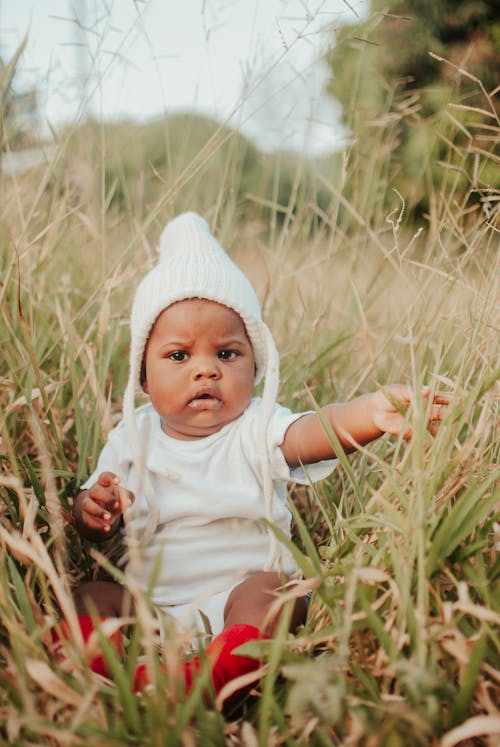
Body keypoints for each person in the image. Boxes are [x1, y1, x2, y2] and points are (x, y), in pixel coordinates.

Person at [68, 212, 446, 699]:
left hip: (239, 594)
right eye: (179, 356)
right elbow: (90, 509)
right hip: (154, 604)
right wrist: (92, 510)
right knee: (88, 598)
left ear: (256, 364)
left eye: (226, 354)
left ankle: (217, 675)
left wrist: (370, 413)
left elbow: (314, 431)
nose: (205, 370)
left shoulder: (256, 426)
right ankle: (118, 668)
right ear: (143, 378)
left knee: (275, 594)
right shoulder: (132, 436)